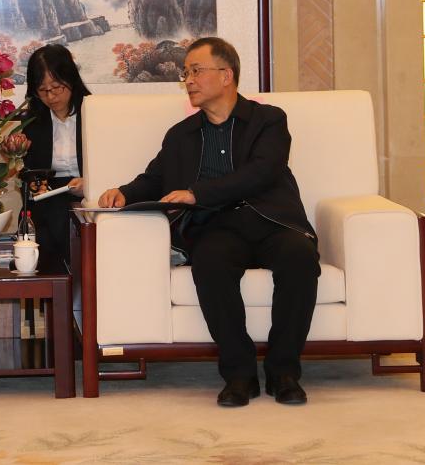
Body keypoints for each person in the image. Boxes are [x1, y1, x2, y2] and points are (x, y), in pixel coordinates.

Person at [97, 37, 320, 407]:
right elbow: (155, 178)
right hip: (217, 226)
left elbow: (262, 172)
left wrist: (197, 193)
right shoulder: (181, 135)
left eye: (196, 71)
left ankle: (284, 372)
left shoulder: (269, 120)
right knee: (210, 261)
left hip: (272, 220)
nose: (188, 80)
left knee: (300, 257)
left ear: (226, 75)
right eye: (186, 73)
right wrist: (123, 192)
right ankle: (239, 374)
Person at [21, 44, 91, 272]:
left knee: (59, 218)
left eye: (57, 87)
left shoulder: (94, 112)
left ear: (70, 79)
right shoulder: (33, 123)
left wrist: (90, 183)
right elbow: (30, 171)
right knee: (45, 220)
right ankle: (72, 277)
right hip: (50, 194)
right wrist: (35, 184)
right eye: (43, 90)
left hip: (88, 191)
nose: (51, 96)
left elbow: (113, 161)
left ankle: (68, 279)